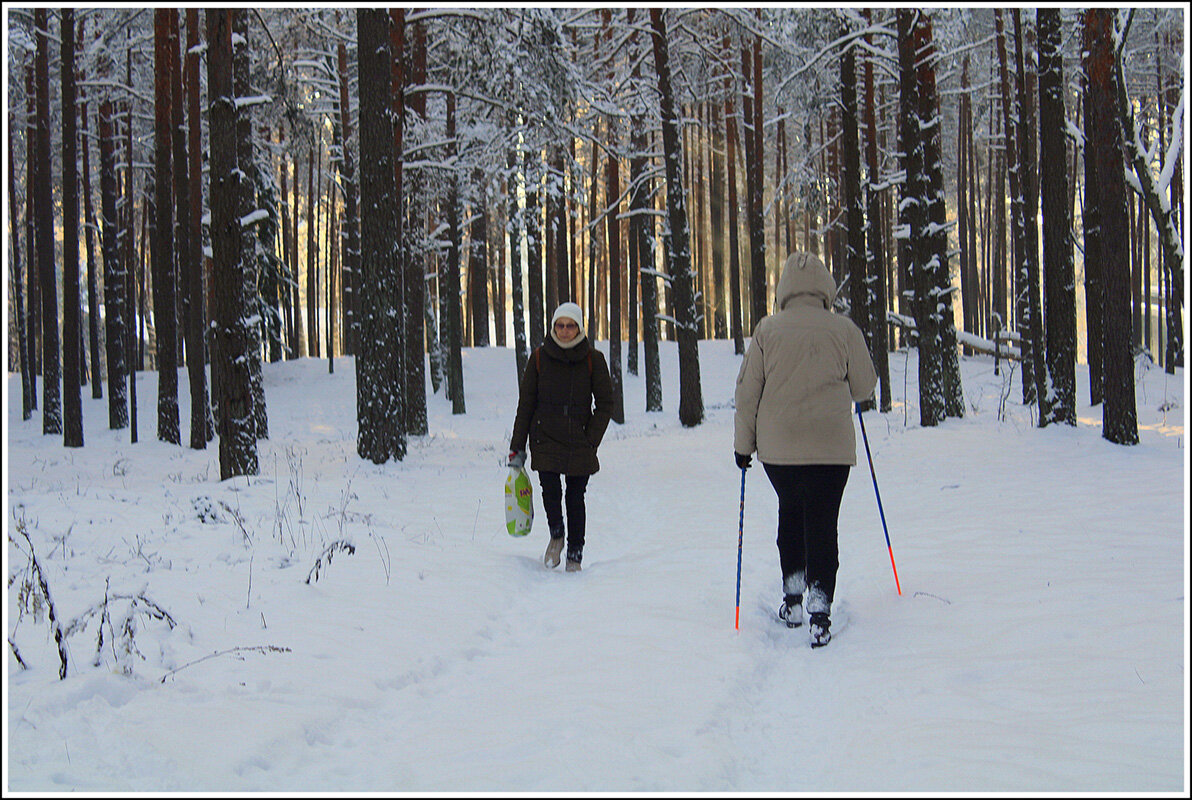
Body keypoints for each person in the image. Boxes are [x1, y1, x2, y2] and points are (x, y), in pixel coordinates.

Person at [733, 252, 877, 647]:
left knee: (791, 513)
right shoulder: (843, 330)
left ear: (784, 290)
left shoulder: (767, 330)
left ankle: (793, 596)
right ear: (825, 288)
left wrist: (743, 446)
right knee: (823, 521)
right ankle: (820, 604)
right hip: (831, 448)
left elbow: (747, 394)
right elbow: (865, 388)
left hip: (780, 450)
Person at [509, 302, 613, 572]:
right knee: (551, 493)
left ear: (579, 327)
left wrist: (591, 438)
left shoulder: (593, 359)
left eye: (570, 325)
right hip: (545, 437)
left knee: (575, 497)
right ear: (553, 327)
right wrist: (517, 447)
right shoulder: (540, 358)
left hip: (579, 440)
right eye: (560, 325)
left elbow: (606, 403)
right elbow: (526, 404)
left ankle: (575, 555)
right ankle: (557, 536)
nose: (565, 331)